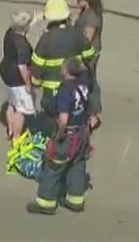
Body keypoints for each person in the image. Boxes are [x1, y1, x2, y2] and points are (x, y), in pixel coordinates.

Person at [27, 58, 93, 215]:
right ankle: (75, 200)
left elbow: (63, 118)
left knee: (53, 166)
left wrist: (59, 135)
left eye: (63, 68)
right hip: (81, 133)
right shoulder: (82, 86)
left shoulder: (65, 90)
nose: (61, 70)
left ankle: (46, 202)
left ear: (67, 71)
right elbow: (87, 112)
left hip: (68, 135)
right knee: (77, 164)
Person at [30, 0, 95, 115]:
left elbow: (37, 66)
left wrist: (36, 83)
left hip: (52, 92)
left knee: (52, 121)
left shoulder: (46, 39)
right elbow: (90, 54)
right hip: (75, 87)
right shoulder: (77, 34)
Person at [0, 10, 37, 140]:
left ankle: (10, 129)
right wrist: (28, 84)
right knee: (21, 110)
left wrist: (34, 20)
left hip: (6, 72)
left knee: (12, 103)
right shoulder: (22, 45)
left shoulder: (10, 33)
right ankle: (16, 136)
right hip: (17, 78)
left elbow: (22, 29)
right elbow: (22, 67)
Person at [73, 0, 104, 126]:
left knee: (89, 82)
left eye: (79, 0)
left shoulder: (92, 17)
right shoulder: (86, 11)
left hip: (89, 54)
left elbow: (87, 40)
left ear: (87, 0)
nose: (76, 2)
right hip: (85, 52)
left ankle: (93, 114)